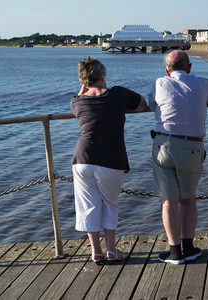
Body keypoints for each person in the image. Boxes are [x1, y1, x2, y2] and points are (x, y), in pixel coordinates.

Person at [148, 50, 208, 264]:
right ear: (189, 67)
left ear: (166, 70)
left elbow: (151, 105)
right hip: (193, 146)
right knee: (189, 199)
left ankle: (174, 253)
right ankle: (189, 248)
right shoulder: (202, 83)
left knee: (168, 201)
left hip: (164, 144)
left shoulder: (159, 83)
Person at [71, 56, 147, 263]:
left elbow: (79, 98)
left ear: (83, 82)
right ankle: (111, 250)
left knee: (88, 206)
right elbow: (142, 104)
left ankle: (96, 251)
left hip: (82, 159)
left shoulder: (77, 102)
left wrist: (84, 87)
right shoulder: (118, 94)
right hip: (111, 160)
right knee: (110, 204)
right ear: (103, 75)